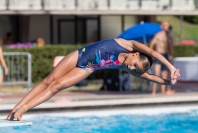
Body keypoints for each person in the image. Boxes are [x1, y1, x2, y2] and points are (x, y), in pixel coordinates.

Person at [6, 38, 180, 121]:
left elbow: (150, 76)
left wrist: (168, 81)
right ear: (135, 54)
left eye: (135, 69)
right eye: (134, 64)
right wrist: (171, 67)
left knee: (56, 86)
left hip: (87, 68)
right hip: (79, 55)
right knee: (48, 80)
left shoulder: (127, 67)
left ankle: (23, 109)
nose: (132, 68)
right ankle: (13, 110)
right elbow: (153, 53)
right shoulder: (129, 45)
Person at [150, 22, 175, 95]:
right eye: (166, 26)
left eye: (168, 26)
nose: (167, 27)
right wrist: (151, 53)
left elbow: (172, 47)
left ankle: (163, 91)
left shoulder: (168, 36)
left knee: (164, 74)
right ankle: (153, 91)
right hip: (159, 54)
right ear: (162, 27)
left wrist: (171, 36)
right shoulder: (158, 35)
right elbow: (152, 43)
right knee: (156, 73)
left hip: (165, 55)